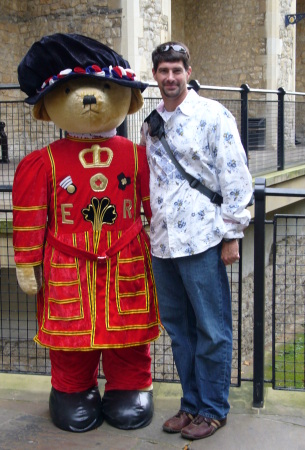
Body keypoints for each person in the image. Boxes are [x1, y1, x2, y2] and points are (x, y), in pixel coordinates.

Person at [140, 41, 252, 441]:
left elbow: (235, 176)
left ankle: (213, 409)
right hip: (164, 242)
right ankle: (190, 405)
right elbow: (153, 180)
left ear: (189, 71)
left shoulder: (213, 115)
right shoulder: (151, 123)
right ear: (154, 75)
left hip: (203, 239)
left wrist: (232, 235)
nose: (170, 78)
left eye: (177, 70)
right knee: (179, 329)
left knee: (212, 328)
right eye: (163, 71)